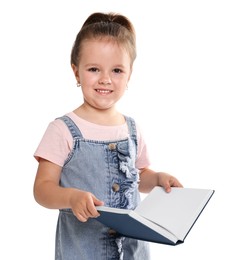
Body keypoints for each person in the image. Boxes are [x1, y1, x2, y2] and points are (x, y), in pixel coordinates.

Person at [33, 12, 183, 260]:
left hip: (133, 252)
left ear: (129, 75)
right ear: (76, 72)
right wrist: (70, 197)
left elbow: (137, 177)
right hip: (82, 252)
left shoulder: (132, 128)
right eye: (94, 69)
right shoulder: (63, 129)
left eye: (116, 70)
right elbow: (42, 189)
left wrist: (157, 179)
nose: (105, 79)